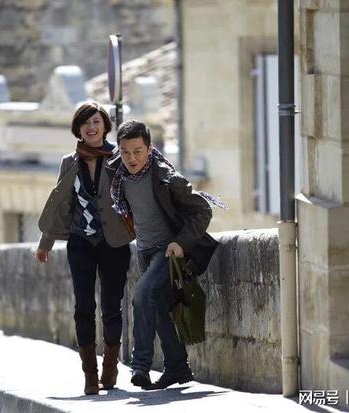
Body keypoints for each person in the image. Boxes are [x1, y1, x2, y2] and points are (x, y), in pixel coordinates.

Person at [107, 119, 224, 390]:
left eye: (138, 151)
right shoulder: (117, 175)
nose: (131, 158)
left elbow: (202, 210)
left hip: (168, 252)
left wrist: (181, 243)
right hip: (144, 251)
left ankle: (140, 365)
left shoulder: (165, 177)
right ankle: (178, 368)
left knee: (142, 296)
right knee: (159, 309)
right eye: (125, 152)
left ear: (149, 149)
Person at [35, 101, 134, 395]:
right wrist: (45, 242)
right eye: (86, 123)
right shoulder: (69, 162)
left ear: (105, 126)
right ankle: (90, 375)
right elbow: (61, 205)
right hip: (80, 241)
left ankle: (110, 367)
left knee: (112, 307)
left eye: (96, 122)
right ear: (78, 129)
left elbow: (138, 195)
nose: (92, 128)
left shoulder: (119, 158)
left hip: (114, 242)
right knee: (83, 306)